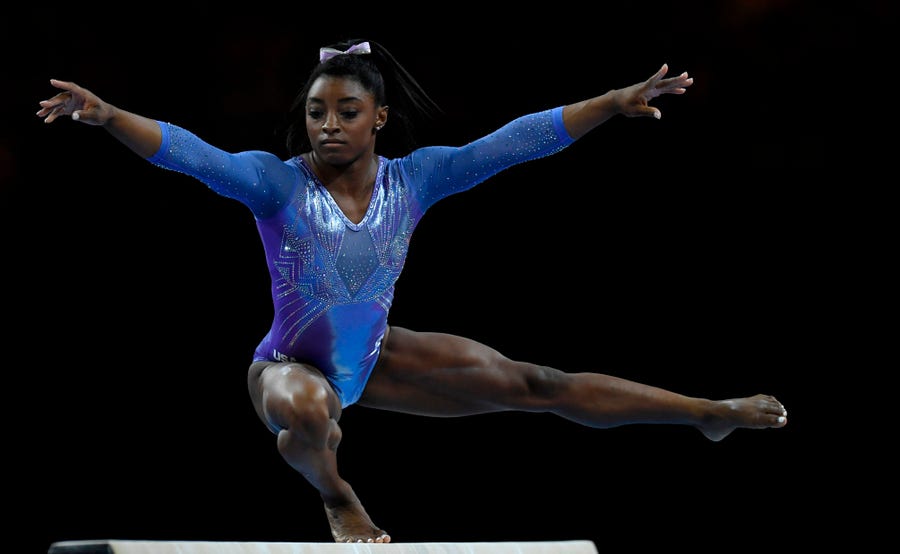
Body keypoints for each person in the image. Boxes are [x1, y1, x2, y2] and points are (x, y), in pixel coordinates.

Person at [36, 39, 788, 544]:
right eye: (315, 112)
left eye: (347, 113)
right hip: (286, 366)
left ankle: (706, 414)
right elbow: (192, 155)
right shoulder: (276, 182)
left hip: (378, 359)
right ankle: (338, 495)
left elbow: (516, 141)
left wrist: (609, 102)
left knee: (539, 383)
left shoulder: (416, 178)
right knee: (304, 411)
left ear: (380, 120)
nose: (327, 127)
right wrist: (108, 118)